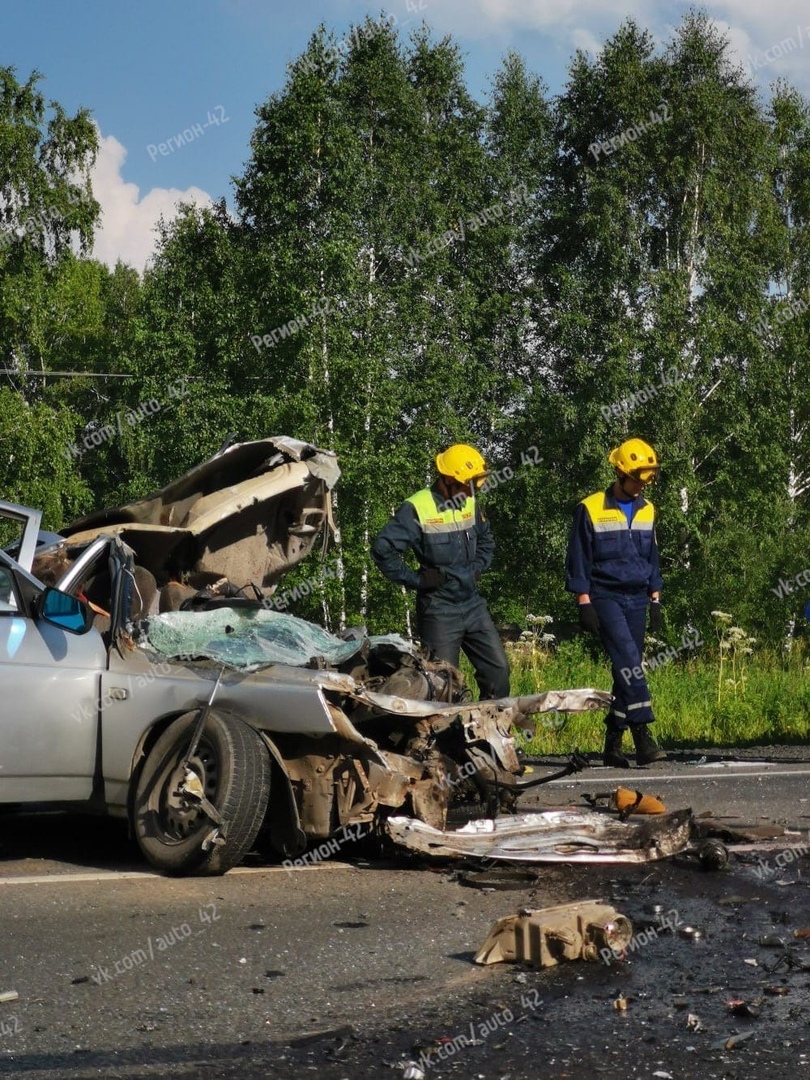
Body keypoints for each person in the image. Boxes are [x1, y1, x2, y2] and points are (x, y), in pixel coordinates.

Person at [371, 443, 511, 700]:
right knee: (443, 686)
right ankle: (444, 738)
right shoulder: (417, 507)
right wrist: (417, 580)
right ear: (447, 479)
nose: (470, 494)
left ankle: (489, 733)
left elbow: (486, 539)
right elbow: (383, 550)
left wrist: (477, 569)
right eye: (466, 486)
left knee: (498, 672)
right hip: (438, 609)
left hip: (473, 603)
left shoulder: (469, 501)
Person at [565, 438, 667, 767]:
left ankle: (612, 742)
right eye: (638, 478)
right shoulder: (590, 508)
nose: (642, 485)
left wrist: (655, 598)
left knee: (626, 668)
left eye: (647, 479)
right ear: (620, 473)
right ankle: (643, 735)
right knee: (629, 661)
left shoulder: (648, 509)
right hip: (604, 596)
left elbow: (651, 556)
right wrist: (584, 601)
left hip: (637, 597)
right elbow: (578, 558)